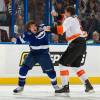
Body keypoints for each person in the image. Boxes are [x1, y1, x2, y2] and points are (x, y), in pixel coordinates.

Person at [13, 20, 60, 94]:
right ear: (29, 29)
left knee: (50, 72)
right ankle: (20, 86)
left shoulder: (42, 28)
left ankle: (55, 85)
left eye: (35, 26)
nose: (34, 28)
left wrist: (50, 28)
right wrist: (15, 40)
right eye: (31, 27)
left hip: (44, 54)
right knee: (23, 69)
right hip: (33, 54)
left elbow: (51, 30)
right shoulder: (27, 34)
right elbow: (20, 40)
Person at [54, 6, 94, 93]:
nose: (64, 14)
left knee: (62, 64)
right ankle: (88, 85)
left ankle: (65, 87)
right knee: (76, 66)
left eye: (65, 12)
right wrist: (56, 16)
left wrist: (50, 29)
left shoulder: (69, 19)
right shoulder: (74, 18)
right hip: (82, 43)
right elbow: (62, 17)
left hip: (75, 43)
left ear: (68, 12)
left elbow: (61, 30)